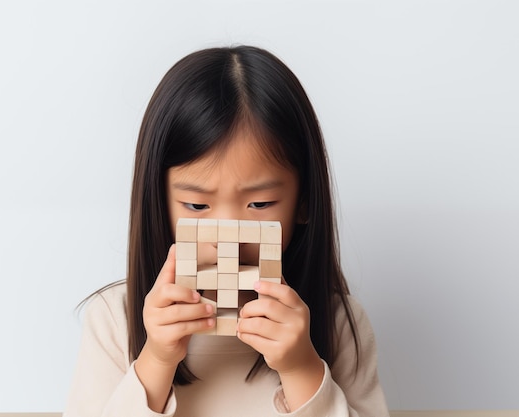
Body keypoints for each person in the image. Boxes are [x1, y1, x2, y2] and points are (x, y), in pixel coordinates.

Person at [63, 45, 389, 417]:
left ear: (304, 202)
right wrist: (155, 361)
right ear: (159, 203)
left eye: (260, 204)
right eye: (198, 206)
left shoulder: (337, 322)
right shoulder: (115, 318)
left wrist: (302, 370)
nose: (228, 234)